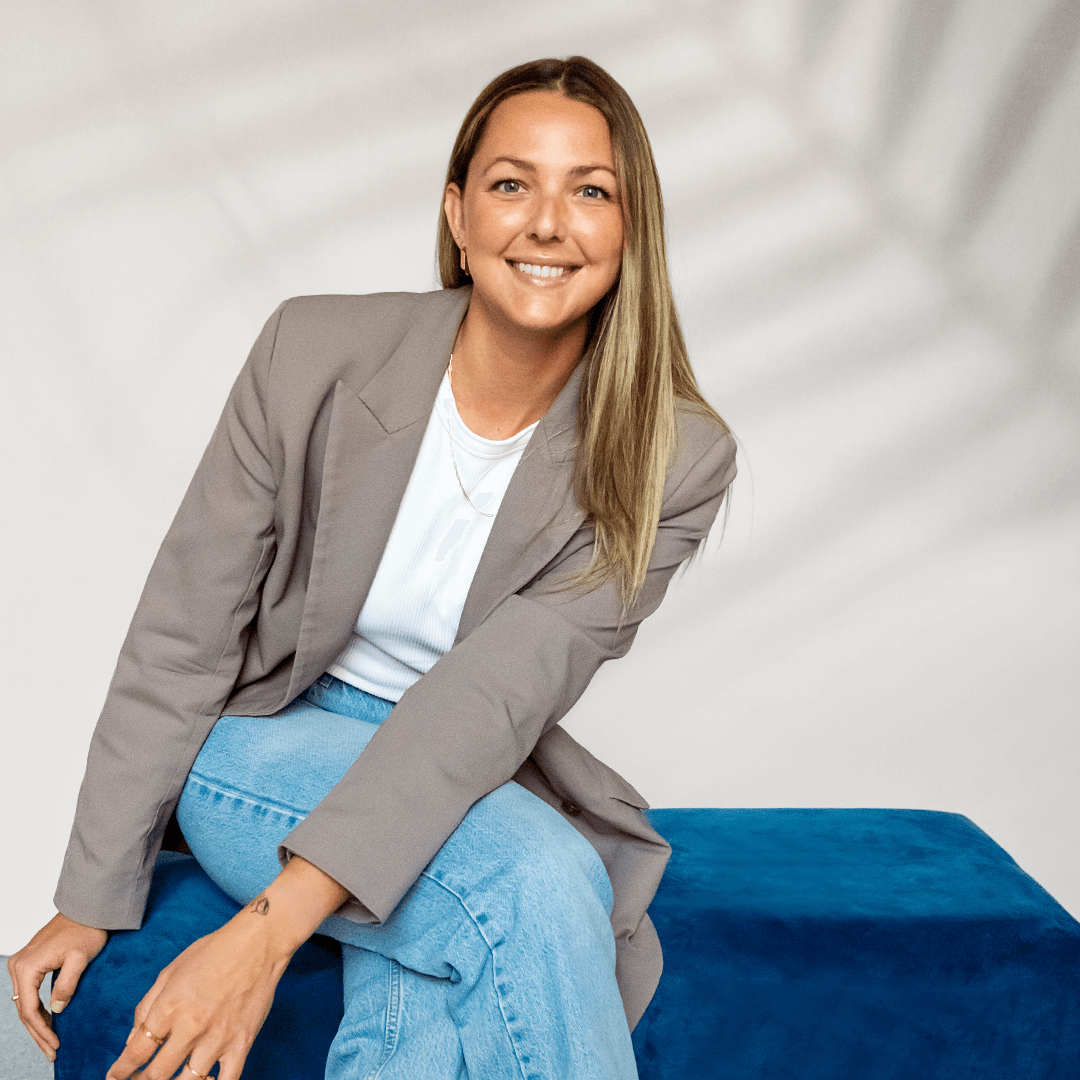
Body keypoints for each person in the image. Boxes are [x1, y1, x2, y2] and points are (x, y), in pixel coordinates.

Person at [8, 55, 735, 1080]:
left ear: (631, 229)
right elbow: (185, 634)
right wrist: (91, 894)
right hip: (260, 740)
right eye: (512, 183)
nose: (547, 223)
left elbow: (491, 696)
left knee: (432, 995)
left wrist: (264, 939)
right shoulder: (311, 352)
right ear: (459, 212)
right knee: (532, 877)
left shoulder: (677, 456)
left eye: (592, 191)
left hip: (457, 755)